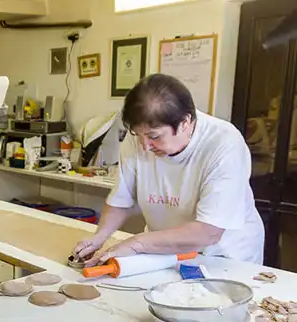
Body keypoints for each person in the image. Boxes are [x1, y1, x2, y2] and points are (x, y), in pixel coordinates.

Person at [73, 73, 265, 267]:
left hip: (222, 254)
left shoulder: (224, 144)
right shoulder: (141, 135)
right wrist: (99, 237)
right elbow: (122, 199)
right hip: (163, 248)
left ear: (185, 123)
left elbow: (209, 232)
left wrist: (136, 243)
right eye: (137, 135)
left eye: (154, 137)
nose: (145, 146)